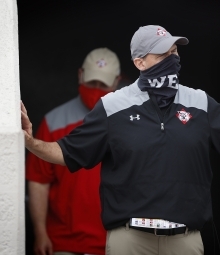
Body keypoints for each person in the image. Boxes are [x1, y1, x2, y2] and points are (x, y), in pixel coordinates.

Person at [21, 25, 220, 255]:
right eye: (163, 54)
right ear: (139, 62)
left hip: (185, 242)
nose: (173, 59)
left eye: (175, 52)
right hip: (130, 241)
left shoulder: (199, 102)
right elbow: (68, 152)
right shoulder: (113, 106)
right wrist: (31, 142)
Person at [26, 47, 127, 255]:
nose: (96, 89)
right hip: (63, 243)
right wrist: (40, 233)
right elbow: (39, 181)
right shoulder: (54, 121)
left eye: (103, 84)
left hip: (116, 244)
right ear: (80, 75)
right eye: (92, 82)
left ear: (117, 81)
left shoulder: (132, 121)